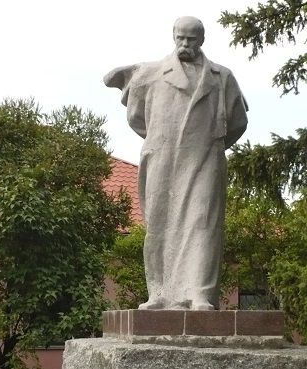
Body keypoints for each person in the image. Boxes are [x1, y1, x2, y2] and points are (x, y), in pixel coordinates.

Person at [104, 16, 248, 310]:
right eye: (180, 38)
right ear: (173, 37)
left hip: (206, 158)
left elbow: (237, 122)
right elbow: (136, 118)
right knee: (159, 223)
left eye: (191, 39)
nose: (185, 44)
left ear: (202, 40)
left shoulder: (222, 77)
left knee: (203, 222)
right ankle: (159, 293)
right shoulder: (152, 74)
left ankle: (199, 294)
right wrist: (162, 138)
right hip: (163, 158)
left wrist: (207, 141)